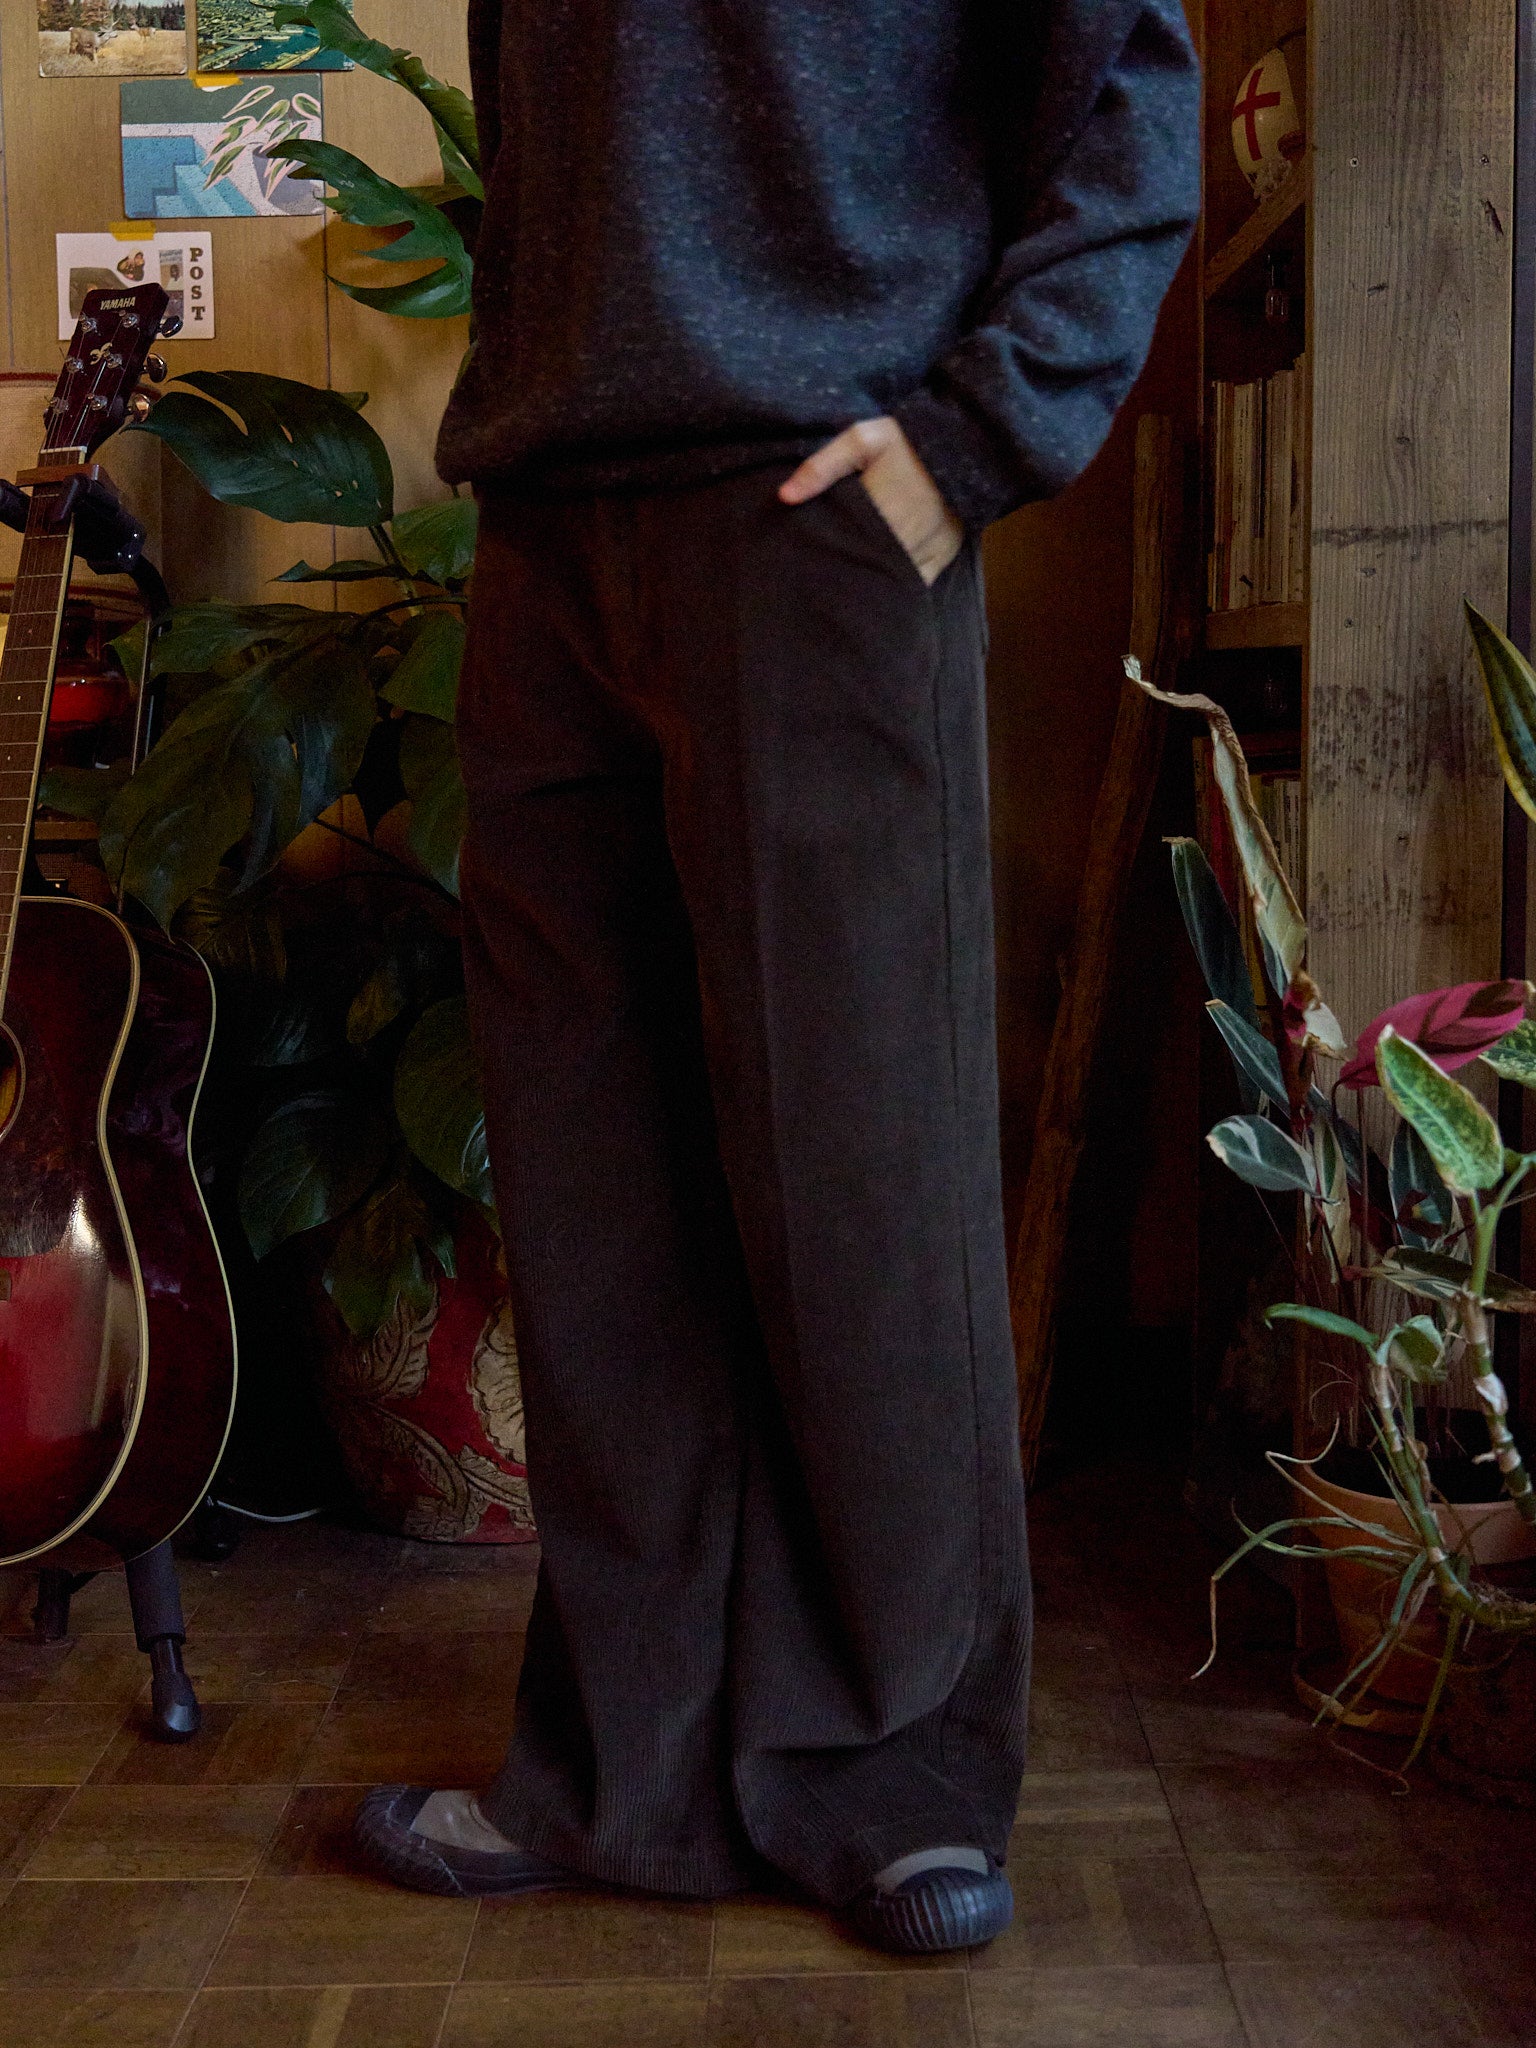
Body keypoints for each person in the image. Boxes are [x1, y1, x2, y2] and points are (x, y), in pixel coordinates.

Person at [356, 0, 1199, 1954]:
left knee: (858, 1180)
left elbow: (1126, 79)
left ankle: (896, 1774)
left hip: (826, 504)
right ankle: (626, 1772)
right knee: (595, 1193)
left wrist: (974, 438)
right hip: (550, 518)